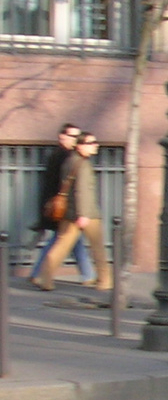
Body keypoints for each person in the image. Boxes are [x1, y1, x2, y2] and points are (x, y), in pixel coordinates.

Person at [33, 133, 112, 291]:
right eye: (91, 143)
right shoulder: (82, 164)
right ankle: (105, 280)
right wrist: (83, 214)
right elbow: (81, 191)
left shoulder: (70, 161)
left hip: (68, 213)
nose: (95, 145)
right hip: (87, 213)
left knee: (60, 247)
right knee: (98, 248)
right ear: (80, 145)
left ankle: (45, 278)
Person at [29, 123, 94, 284]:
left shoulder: (59, 155)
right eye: (72, 136)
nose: (75, 140)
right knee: (62, 240)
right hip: (63, 207)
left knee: (69, 240)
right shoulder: (65, 157)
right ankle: (39, 273)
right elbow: (63, 185)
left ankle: (88, 274)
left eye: (77, 137)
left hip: (59, 206)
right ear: (62, 136)